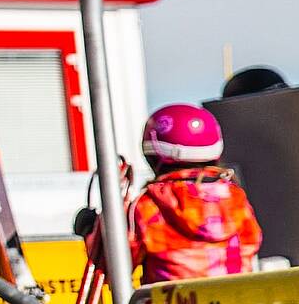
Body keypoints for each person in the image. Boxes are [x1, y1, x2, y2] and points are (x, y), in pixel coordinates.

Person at [86, 103, 262, 284]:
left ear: (152, 157)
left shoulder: (147, 206)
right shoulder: (237, 199)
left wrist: (94, 230)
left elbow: (112, 269)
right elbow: (252, 244)